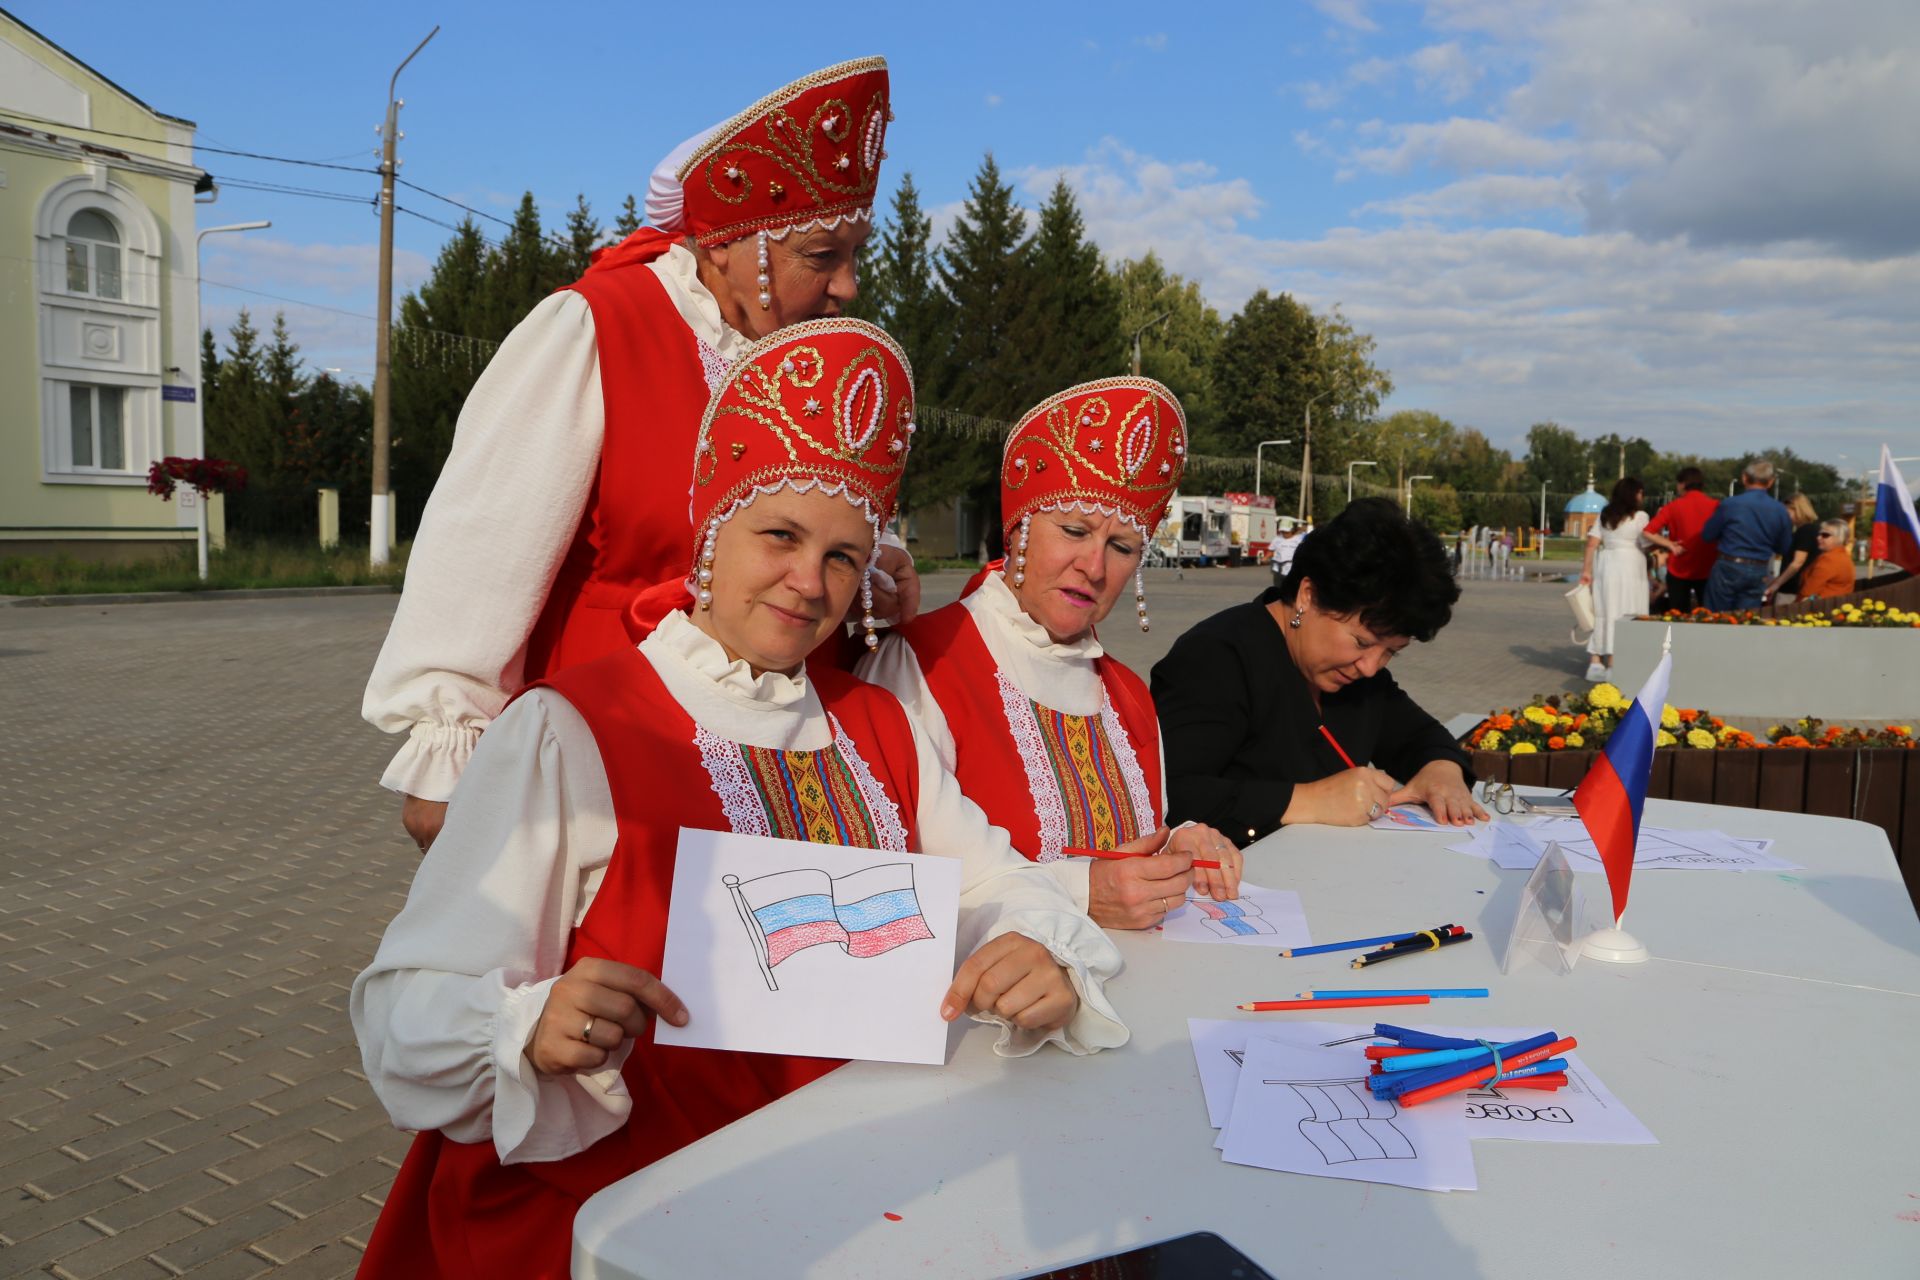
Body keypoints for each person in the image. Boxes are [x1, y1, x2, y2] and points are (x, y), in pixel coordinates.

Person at [350, 321, 1125, 1279]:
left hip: (848, 1190)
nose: (810, 583)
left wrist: (1033, 946)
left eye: (845, 556)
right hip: (632, 1212)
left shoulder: (875, 724)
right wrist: (530, 1024)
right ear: (712, 537)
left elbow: (996, 886)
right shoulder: (574, 728)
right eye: (781, 537)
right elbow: (402, 1012)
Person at [362, 57, 914, 854]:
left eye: (855, 256)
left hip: (780, 751)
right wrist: (448, 754)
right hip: (611, 748)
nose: (849, 287)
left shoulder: (798, 362)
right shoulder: (596, 329)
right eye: (823, 257)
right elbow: (482, 545)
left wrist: (874, 564)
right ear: (728, 246)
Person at [860, 377, 1242, 930]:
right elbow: (888, 884)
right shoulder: (925, 662)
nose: (1094, 566)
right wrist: (1079, 891)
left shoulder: (1129, 696)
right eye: (1073, 530)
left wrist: (1181, 849)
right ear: (1018, 531)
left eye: (1120, 547)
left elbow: (1137, 847)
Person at [1151, 497, 1487, 840]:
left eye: (1392, 653)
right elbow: (1168, 795)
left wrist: (1442, 771)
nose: (1371, 668)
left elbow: (1421, 737)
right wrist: (1308, 800)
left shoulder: (1359, 682)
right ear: (1308, 596)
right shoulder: (1216, 657)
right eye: (1361, 642)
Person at [1580, 477, 1682, 682]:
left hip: (1607, 564)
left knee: (1605, 610)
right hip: (1631, 564)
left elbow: (1591, 544)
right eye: (1640, 493)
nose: (1642, 497)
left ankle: (1595, 662)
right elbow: (1646, 542)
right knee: (1629, 610)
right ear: (1634, 494)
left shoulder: (1606, 515)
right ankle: (1615, 664)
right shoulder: (1640, 516)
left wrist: (1587, 572)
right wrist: (1668, 545)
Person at [1701, 458, 1793, 611]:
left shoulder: (1731, 504)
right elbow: (1784, 547)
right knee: (1746, 619)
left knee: (1716, 619)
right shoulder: (1780, 510)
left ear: (1744, 478)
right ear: (1770, 482)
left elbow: (1707, 535)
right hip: (1759, 569)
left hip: (1728, 565)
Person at [1646, 466, 1720, 612]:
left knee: (1678, 616)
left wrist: (1670, 544)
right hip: (1708, 568)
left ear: (1682, 484)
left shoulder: (1673, 506)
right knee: (1710, 616)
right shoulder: (1716, 506)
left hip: (1678, 569)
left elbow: (1648, 531)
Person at [1762, 494, 1822, 604]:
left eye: (1786, 513)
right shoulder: (1812, 529)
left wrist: (1776, 584)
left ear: (1797, 509)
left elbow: (1798, 562)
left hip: (1793, 590)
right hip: (1799, 588)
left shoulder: (1805, 531)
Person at [1796, 519, 1858, 600]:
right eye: (1819, 534)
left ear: (1839, 538)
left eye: (1825, 535)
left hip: (1820, 607)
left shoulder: (1830, 559)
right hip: (1835, 605)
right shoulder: (1843, 556)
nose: (1818, 537)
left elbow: (1808, 591)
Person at [1270, 518, 1308, 584]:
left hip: (1291, 569)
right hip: (1277, 568)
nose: (1284, 533)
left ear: (1292, 530)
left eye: (1286, 531)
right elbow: (1271, 551)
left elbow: (1304, 552)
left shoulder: (1298, 540)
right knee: (1277, 588)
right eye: (1283, 531)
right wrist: (1265, 558)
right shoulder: (1277, 539)